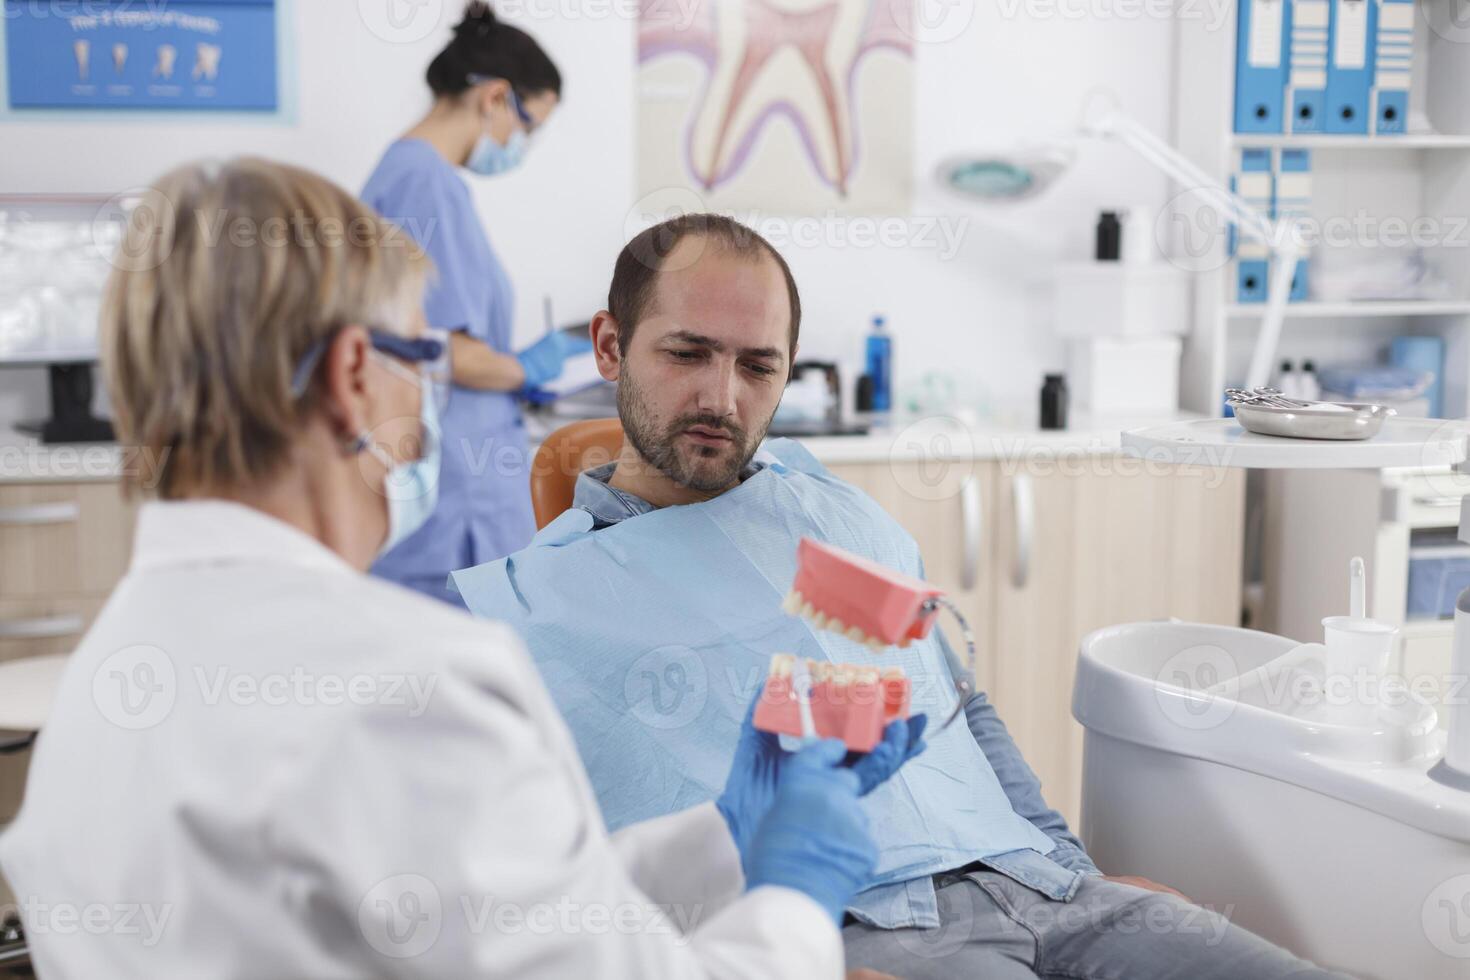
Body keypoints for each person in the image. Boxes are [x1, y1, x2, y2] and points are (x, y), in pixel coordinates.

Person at [0, 160, 925, 977]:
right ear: (353, 375)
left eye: (759, 365)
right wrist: (796, 897)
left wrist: (726, 832)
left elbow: (501, 909)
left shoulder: (109, 672)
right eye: (422, 356)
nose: (430, 396)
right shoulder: (407, 687)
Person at [449, 214, 1354, 980]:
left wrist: (1075, 868)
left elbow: (959, 706)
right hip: (877, 934)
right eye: (687, 353)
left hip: (1047, 888)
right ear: (610, 345)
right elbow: (564, 897)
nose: (720, 398)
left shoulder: (830, 517)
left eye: (759, 367)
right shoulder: (536, 606)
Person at [360, 2, 588, 603]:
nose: (523, 143)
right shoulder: (423, 180)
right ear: (494, 98)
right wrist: (522, 368)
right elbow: (441, 348)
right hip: (456, 494)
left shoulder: (415, 176)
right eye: (530, 125)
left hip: (456, 476)